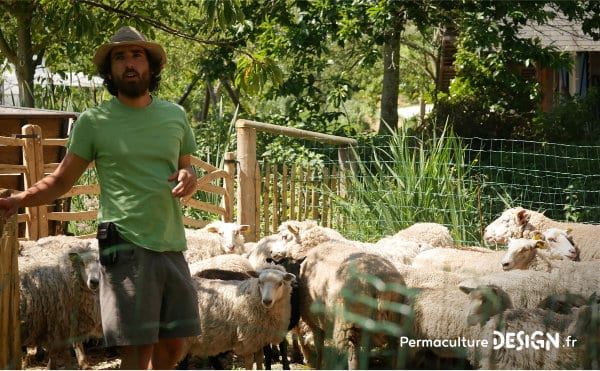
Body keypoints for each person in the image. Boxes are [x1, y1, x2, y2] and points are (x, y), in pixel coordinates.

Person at [0, 26, 201, 369]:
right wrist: (18, 199)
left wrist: (189, 177)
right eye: (120, 58)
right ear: (110, 72)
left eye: (137, 55)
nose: (129, 63)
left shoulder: (175, 116)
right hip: (125, 244)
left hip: (170, 244)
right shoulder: (95, 122)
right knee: (137, 352)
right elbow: (62, 180)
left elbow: (187, 170)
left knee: (173, 347)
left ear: (151, 67)